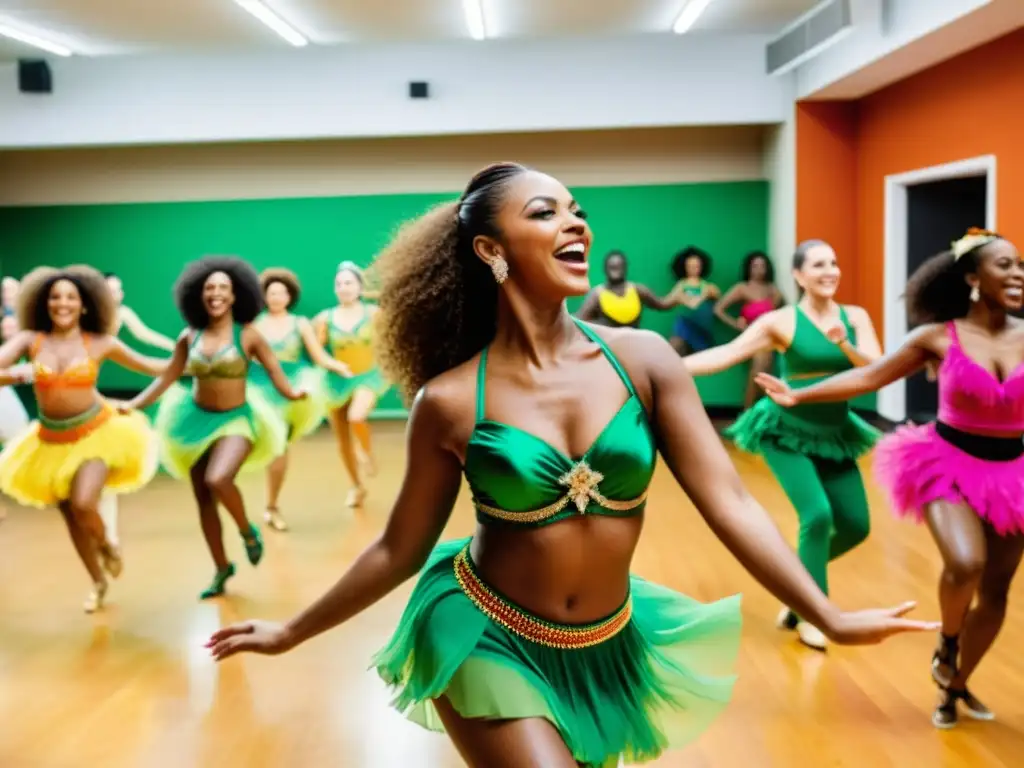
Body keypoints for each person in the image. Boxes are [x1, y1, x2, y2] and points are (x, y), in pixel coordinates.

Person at [205, 164, 935, 768]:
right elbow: (399, 547)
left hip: (605, 644)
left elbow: (732, 504)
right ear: (491, 251)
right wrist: (291, 630)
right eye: (548, 213)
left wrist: (827, 613)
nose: (577, 224)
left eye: (578, 211)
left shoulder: (645, 359)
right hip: (483, 631)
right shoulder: (451, 400)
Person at [755, 228, 1024, 728]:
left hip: (1013, 471)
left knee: (997, 592)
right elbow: (869, 375)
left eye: (1021, 266)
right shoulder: (938, 337)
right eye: (1005, 265)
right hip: (949, 462)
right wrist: (799, 396)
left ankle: (957, 685)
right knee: (966, 564)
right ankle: (947, 641)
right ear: (971, 278)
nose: (1018, 274)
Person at [684, 239, 883, 650]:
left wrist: (843, 341)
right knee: (818, 515)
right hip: (785, 430)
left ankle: (796, 590)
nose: (830, 271)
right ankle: (817, 614)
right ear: (798, 275)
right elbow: (726, 354)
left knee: (856, 526)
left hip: (836, 432)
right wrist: (660, 365)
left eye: (834, 262)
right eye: (818, 265)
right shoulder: (781, 322)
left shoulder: (855, 317)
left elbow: (876, 370)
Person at [116, 256, 304, 600]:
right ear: (198, 295)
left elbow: (276, 371)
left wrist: (293, 393)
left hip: (238, 419)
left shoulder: (248, 335)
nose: (216, 293)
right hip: (194, 420)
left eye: (223, 288)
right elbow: (168, 377)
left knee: (218, 479)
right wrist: (132, 404)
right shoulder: (189, 336)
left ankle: (248, 532)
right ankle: (221, 568)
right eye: (209, 288)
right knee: (203, 499)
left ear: (236, 295)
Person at [0, 265, 166, 612]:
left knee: (84, 503)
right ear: (44, 304)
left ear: (85, 304)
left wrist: (187, 358)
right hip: (49, 441)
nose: (62, 304)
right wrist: (20, 374)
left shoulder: (101, 342)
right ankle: (98, 581)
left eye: (71, 297)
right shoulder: (30, 340)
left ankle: (107, 545)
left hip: (96, 432)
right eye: (55, 297)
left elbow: (151, 366)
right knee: (70, 517)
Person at [253, 268, 351, 531]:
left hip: (289, 389)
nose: (276, 297)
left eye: (281, 292)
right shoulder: (254, 323)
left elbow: (318, 355)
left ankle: (271, 506)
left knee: (278, 446)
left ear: (289, 295)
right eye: (271, 292)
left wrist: (337, 366)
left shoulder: (300, 324)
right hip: (257, 388)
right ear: (264, 296)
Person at [313, 262, 390, 508]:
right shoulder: (325, 318)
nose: (343, 288)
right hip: (336, 380)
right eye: (339, 284)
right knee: (342, 441)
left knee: (357, 416)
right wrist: (331, 365)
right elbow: (316, 350)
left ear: (359, 287)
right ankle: (356, 486)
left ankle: (365, 451)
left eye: (349, 283)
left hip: (368, 376)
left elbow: (390, 341)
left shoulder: (374, 314)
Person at [713, 251, 785, 409]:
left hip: (769, 338)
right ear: (749, 268)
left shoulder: (773, 290)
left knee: (761, 372)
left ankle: (752, 414)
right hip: (750, 338)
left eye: (762, 266)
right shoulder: (742, 288)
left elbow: (783, 315)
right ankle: (751, 414)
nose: (759, 269)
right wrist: (737, 325)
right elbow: (718, 309)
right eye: (755, 266)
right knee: (760, 371)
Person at [574, 250, 674, 328]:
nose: (616, 270)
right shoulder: (597, 294)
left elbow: (662, 304)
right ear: (605, 269)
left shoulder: (638, 289)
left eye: (619, 266)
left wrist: (678, 296)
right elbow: (580, 319)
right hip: (607, 344)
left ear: (625, 268)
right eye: (612, 267)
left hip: (633, 341)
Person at [664, 246, 720, 356]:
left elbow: (716, 296)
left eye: (696, 266)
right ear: (684, 267)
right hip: (685, 325)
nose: (694, 269)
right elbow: (668, 300)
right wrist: (679, 298)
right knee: (675, 346)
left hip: (702, 327)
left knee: (703, 358)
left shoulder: (707, 286)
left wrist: (701, 295)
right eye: (690, 266)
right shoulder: (682, 284)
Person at [104, 271, 176, 352]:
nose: (120, 294)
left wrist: (176, 347)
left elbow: (145, 334)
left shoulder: (122, 312)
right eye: (113, 291)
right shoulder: (90, 313)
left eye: (119, 290)